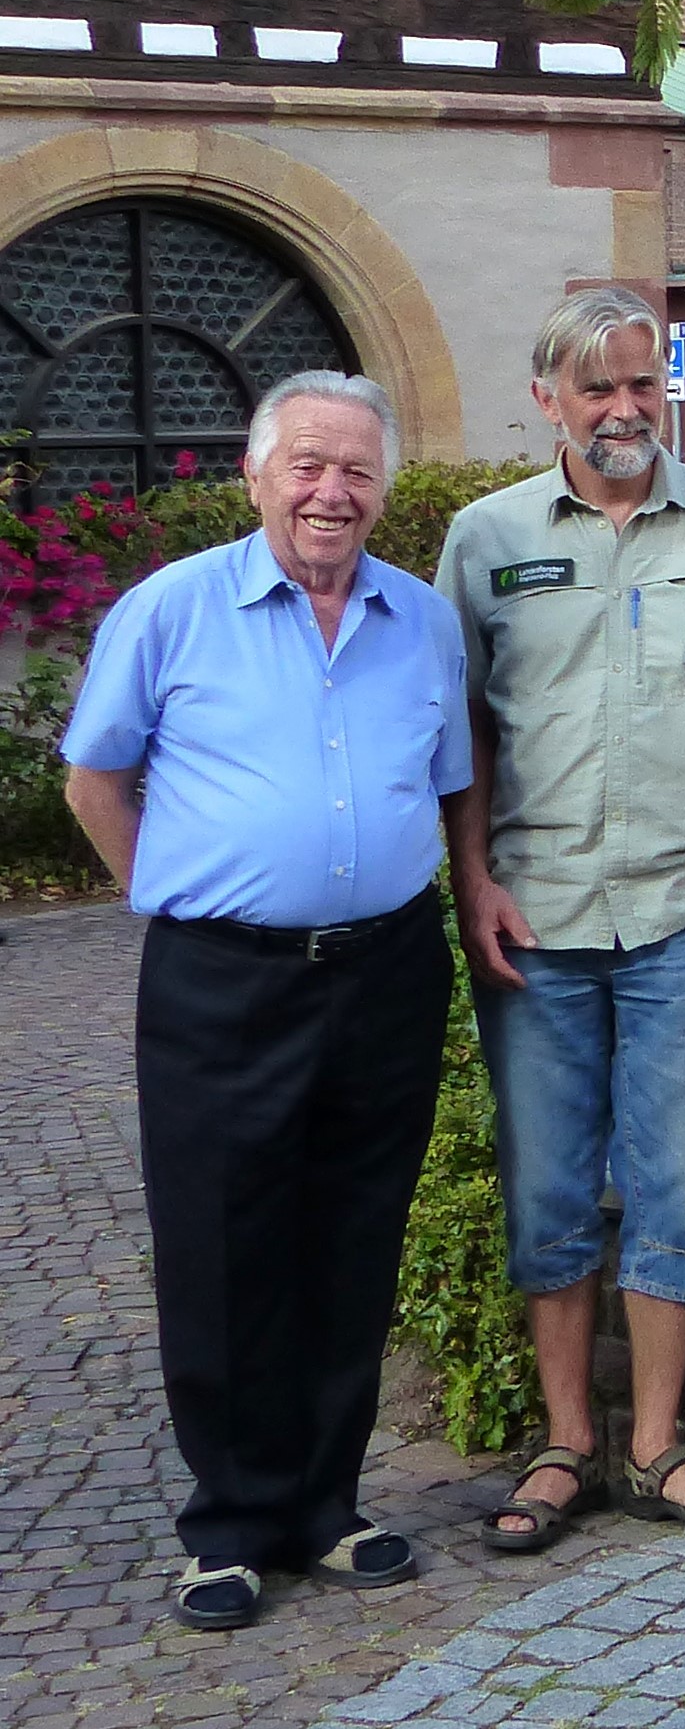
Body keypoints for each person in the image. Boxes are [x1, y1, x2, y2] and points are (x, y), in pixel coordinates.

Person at [61, 373, 472, 1632]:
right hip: (221, 981)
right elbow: (94, 779)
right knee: (225, 1243)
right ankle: (230, 1522)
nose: (330, 491)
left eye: (354, 470)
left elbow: (451, 783)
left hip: (388, 967)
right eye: (305, 464)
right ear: (255, 477)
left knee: (355, 1235)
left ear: (382, 488)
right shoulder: (172, 611)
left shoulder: (422, 621)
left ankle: (326, 1504)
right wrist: (184, 899)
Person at [436, 289, 685, 1549]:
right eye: (597, 388)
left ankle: (655, 1445)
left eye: (646, 384)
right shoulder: (484, 539)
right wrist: (470, 874)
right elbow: (463, 729)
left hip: (684, 913)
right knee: (546, 1183)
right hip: (533, 918)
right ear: (548, 400)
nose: (626, 409)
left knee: (674, 1181)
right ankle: (565, 1443)